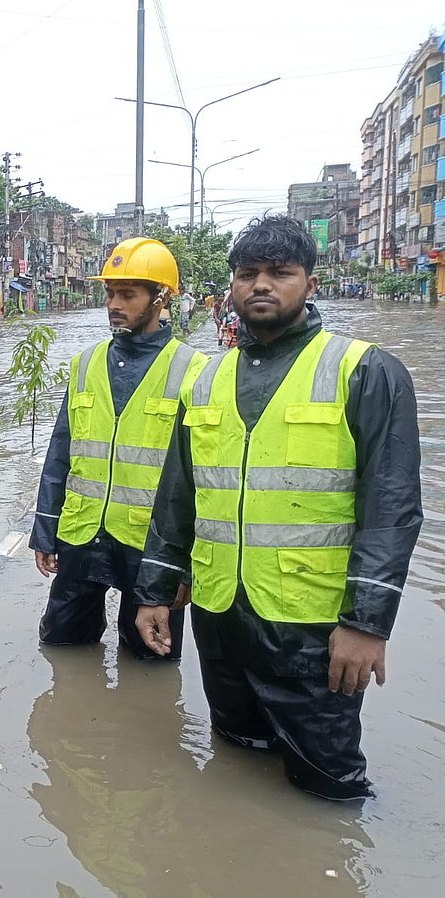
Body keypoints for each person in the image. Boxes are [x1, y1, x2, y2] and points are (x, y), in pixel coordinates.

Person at [135, 215, 422, 800]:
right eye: (248, 274)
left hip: (313, 629)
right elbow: (177, 498)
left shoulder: (364, 370)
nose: (262, 285)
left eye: (281, 273)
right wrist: (154, 593)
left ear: (310, 284)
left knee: (329, 791)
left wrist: (365, 624)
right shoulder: (205, 379)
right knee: (234, 762)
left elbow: (392, 508)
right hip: (219, 617)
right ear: (231, 287)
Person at [31, 238, 207, 658]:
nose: (113, 303)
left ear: (162, 297)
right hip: (82, 533)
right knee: (61, 644)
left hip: (151, 544)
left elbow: (203, 479)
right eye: (110, 293)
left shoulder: (194, 371)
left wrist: (185, 565)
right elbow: (60, 452)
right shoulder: (86, 363)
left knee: (151, 658)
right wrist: (45, 529)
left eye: (127, 294)